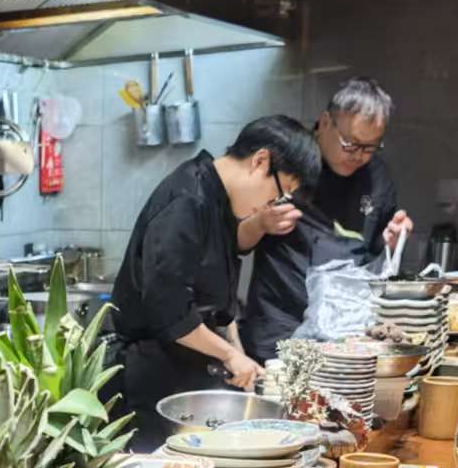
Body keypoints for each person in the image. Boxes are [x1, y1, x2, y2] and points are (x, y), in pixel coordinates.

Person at [111, 117, 321, 446]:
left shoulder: (217, 195)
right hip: (153, 375)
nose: (272, 204)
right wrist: (230, 355)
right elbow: (168, 310)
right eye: (279, 194)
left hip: (186, 369)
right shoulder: (187, 200)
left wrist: (235, 348)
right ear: (260, 161)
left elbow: (216, 288)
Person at [238, 79, 415, 364]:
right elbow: (234, 240)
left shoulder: (377, 177)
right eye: (350, 144)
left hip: (346, 333)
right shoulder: (287, 162)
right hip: (279, 329)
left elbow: (375, 260)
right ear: (324, 122)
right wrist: (260, 224)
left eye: (369, 148)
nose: (358, 156)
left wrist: (391, 242)